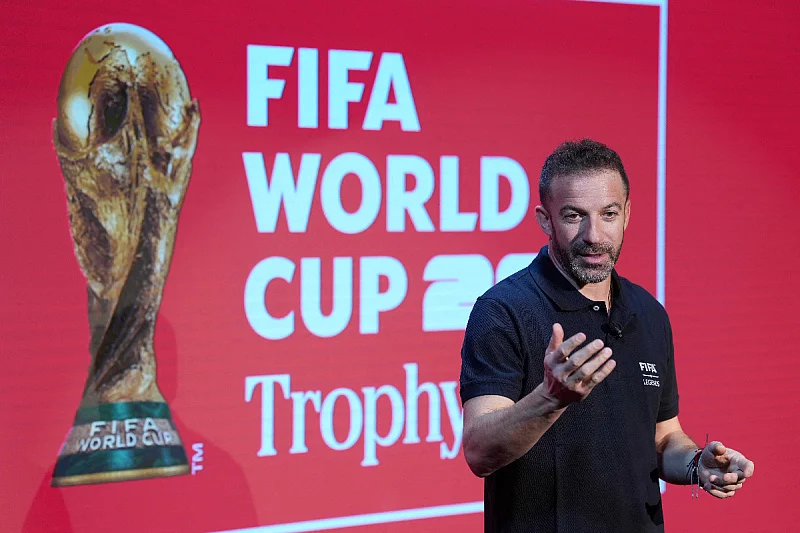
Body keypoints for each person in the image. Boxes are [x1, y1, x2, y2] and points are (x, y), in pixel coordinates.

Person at [459, 139, 755, 532]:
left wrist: (696, 464)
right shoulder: (503, 311)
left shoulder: (648, 312)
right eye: (574, 216)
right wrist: (550, 398)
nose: (594, 234)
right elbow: (479, 452)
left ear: (627, 214)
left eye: (608, 214)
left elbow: (663, 437)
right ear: (545, 220)